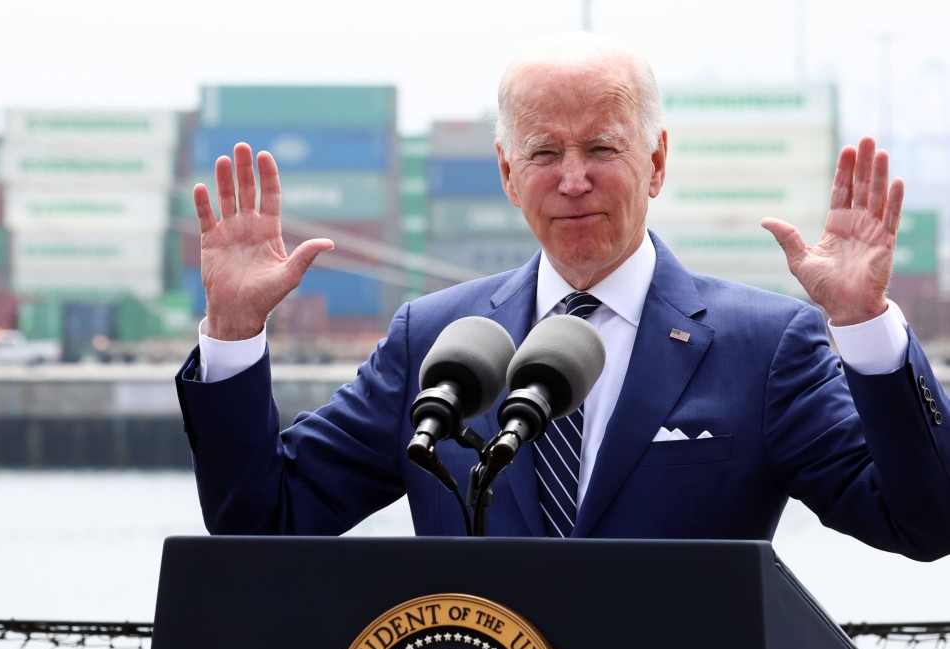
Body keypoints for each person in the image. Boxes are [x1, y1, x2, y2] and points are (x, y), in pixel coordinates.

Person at [175, 32, 950, 561]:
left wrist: (865, 326)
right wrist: (235, 332)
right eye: (544, 151)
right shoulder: (435, 340)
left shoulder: (764, 345)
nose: (573, 179)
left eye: (601, 147)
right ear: (508, 175)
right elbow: (263, 520)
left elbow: (924, 521)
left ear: (656, 162)